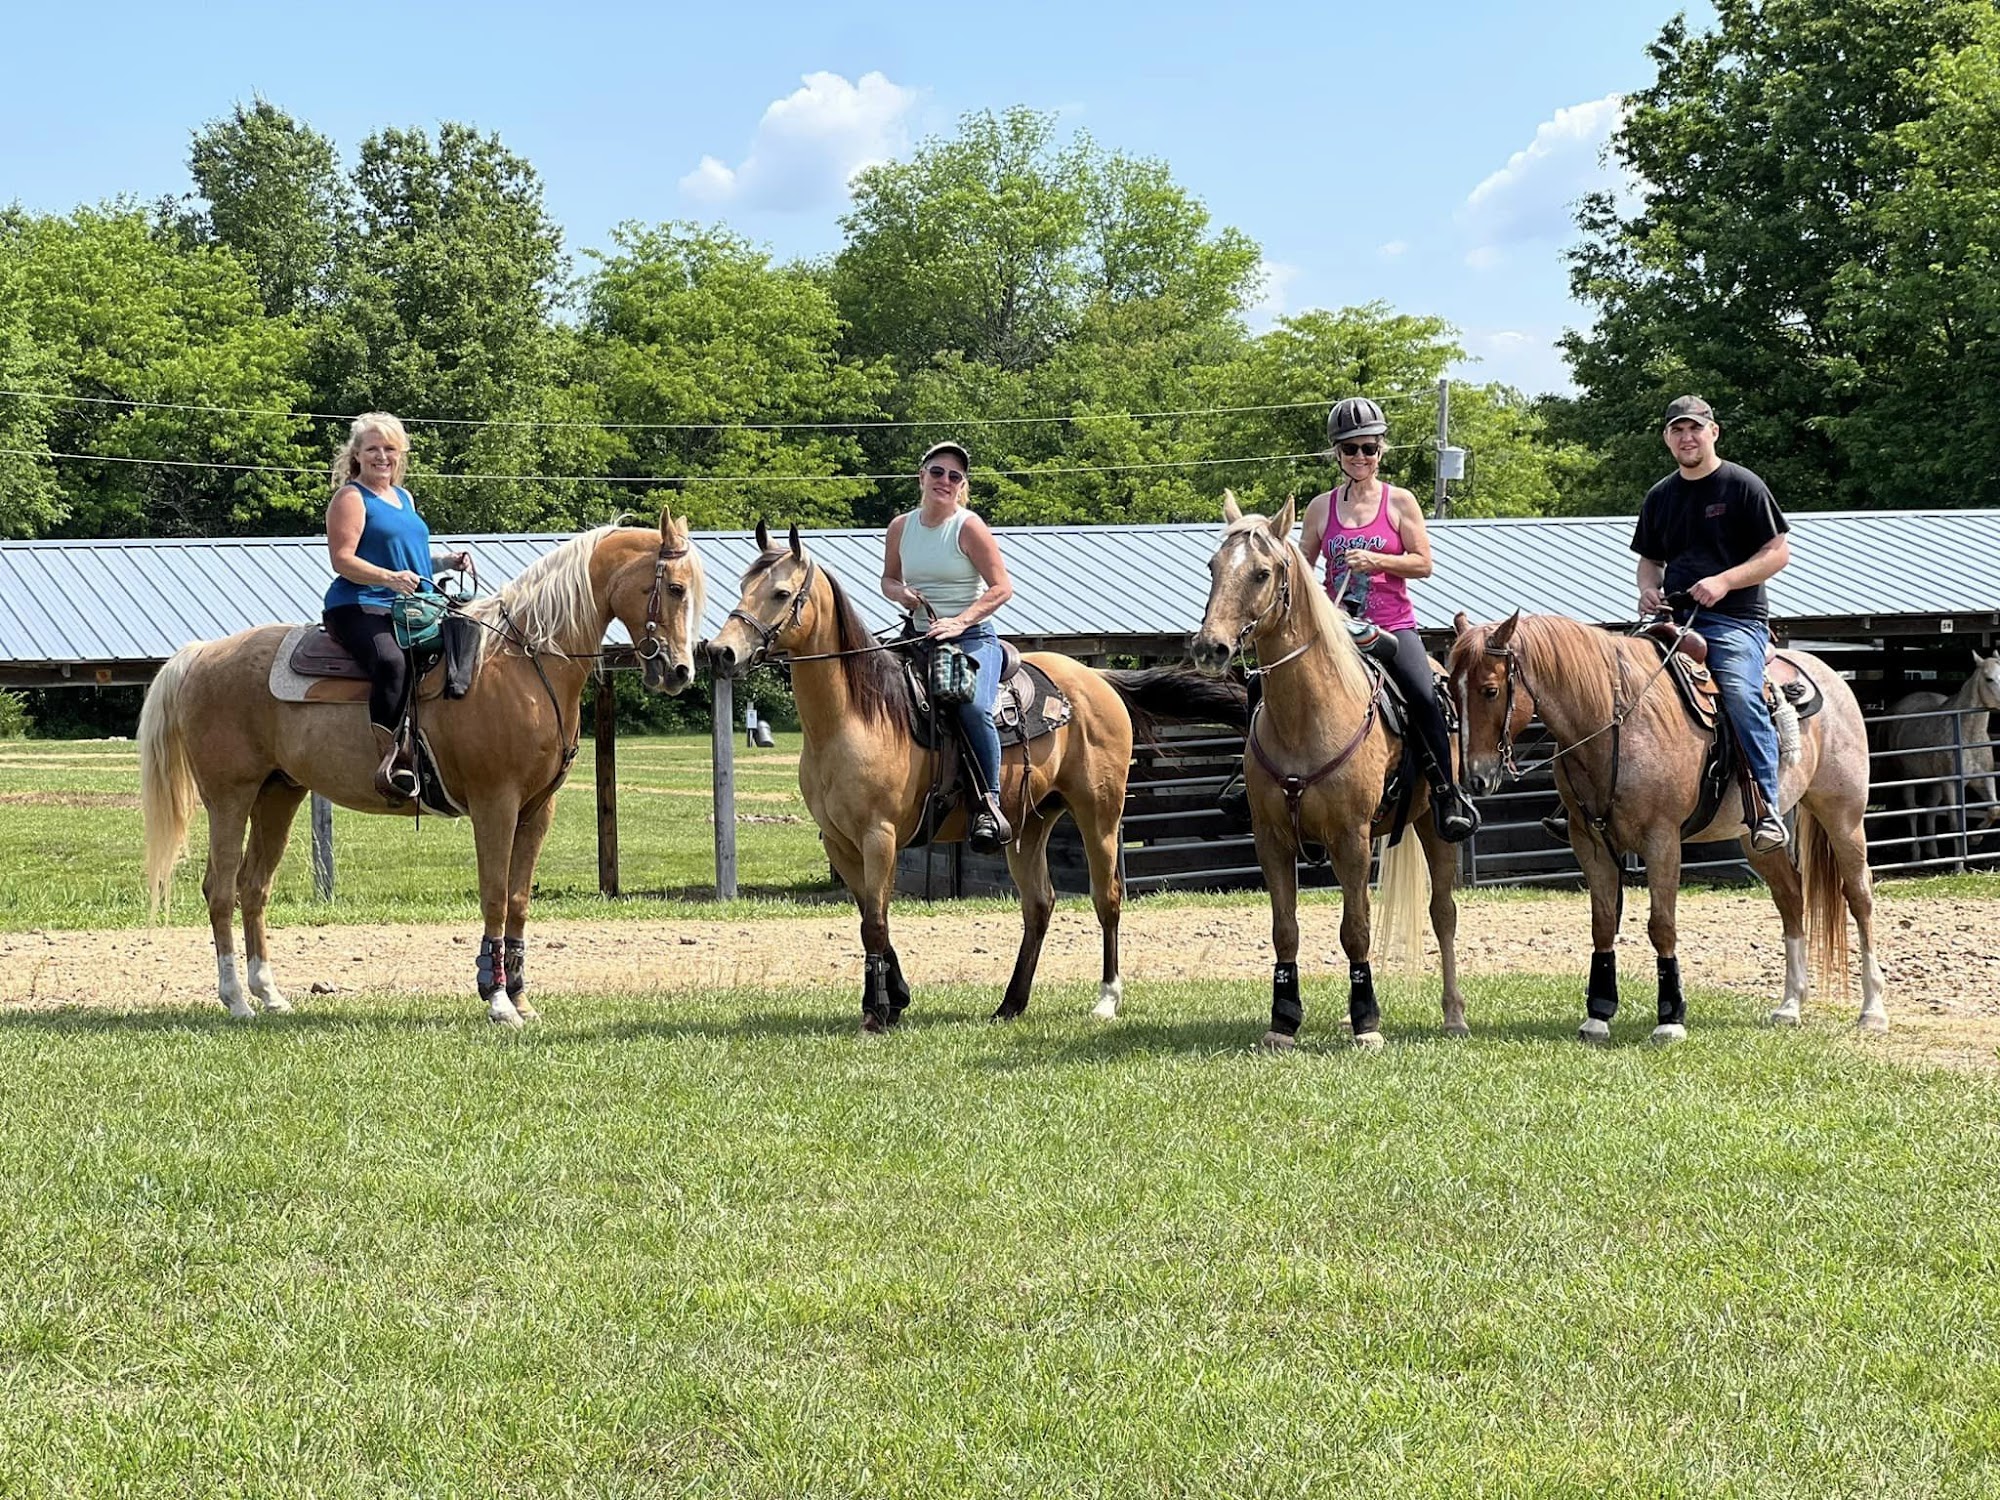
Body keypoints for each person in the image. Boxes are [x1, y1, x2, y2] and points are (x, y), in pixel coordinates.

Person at [1297, 397, 1480, 842]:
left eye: (1369, 448)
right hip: (1336, 629)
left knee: (1424, 694)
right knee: (1268, 682)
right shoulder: (1320, 508)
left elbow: (1423, 563)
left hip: (1392, 625)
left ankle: (1447, 793)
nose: (1360, 457)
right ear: (1337, 453)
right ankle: (1252, 780)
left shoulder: (1400, 501)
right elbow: (1301, 568)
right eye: (1350, 449)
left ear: (1381, 450)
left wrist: (1376, 560)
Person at [1634, 394, 1793, 851]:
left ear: (1713, 432)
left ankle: (1765, 806)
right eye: (1677, 430)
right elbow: (1650, 560)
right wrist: (1648, 589)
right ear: (1667, 439)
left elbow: (1777, 552)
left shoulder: (1742, 485)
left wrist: (1724, 581)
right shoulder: (1660, 496)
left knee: (1740, 693)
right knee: (1614, 683)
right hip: (1674, 619)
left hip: (1735, 620)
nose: (1687, 438)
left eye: (1695, 429)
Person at [321, 412, 469, 804]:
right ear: (357, 454)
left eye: (390, 448)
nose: (382, 456)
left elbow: (405, 556)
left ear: (400, 453)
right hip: (359, 604)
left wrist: (446, 562)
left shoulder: (404, 498)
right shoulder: (351, 498)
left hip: (411, 605)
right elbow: (342, 560)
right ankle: (391, 762)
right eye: (373, 448)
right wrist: (389, 578)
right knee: (392, 661)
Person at [881, 440, 1017, 852]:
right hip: (918, 635)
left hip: (972, 638)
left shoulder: (968, 526)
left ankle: (988, 803)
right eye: (937, 472)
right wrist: (901, 594)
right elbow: (889, 579)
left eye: (954, 476)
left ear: (962, 486)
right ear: (921, 477)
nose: (945, 481)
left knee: (972, 706)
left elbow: (1002, 587)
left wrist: (959, 621)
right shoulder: (900, 527)